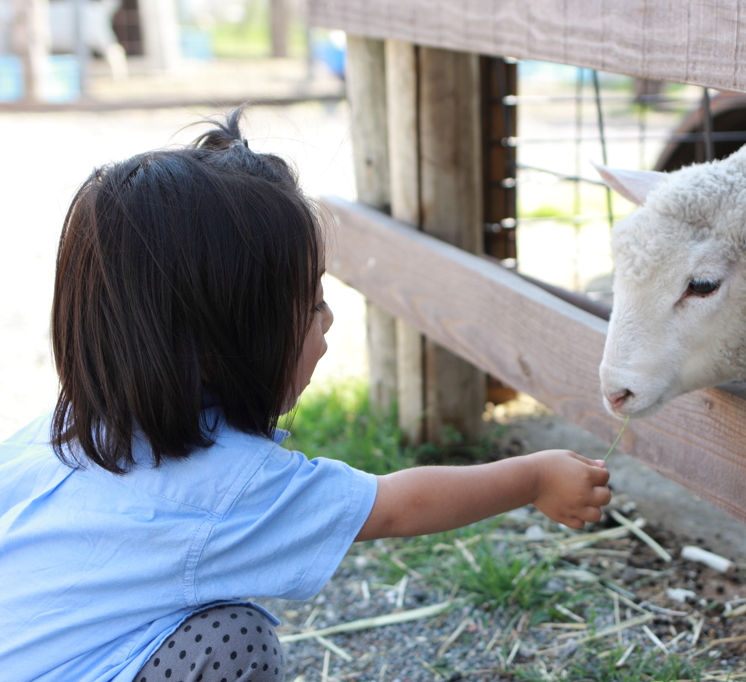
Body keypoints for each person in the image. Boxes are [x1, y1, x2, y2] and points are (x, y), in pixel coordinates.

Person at [0, 109, 612, 682]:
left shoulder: (59, 435)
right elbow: (400, 506)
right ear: (239, 330)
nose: (328, 320)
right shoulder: (229, 487)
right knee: (232, 640)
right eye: (311, 300)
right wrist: (533, 478)